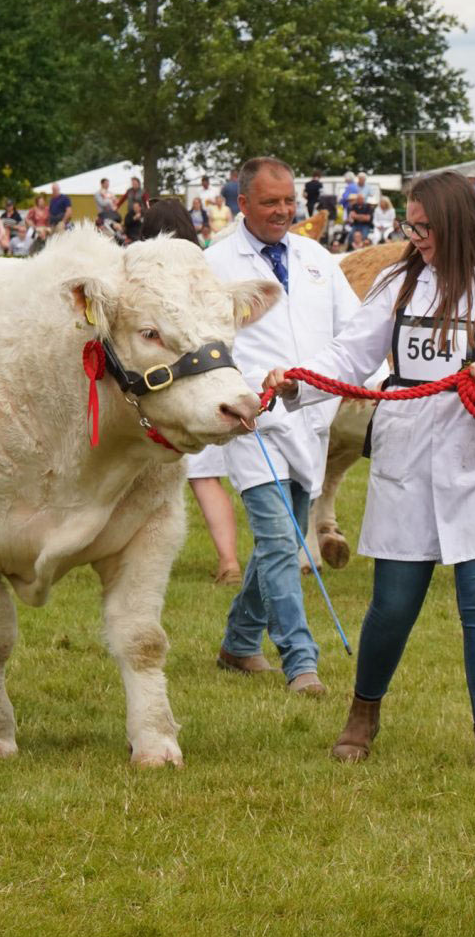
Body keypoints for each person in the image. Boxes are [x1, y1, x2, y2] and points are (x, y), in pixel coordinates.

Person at [274, 172, 475, 767]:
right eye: (411, 224)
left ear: (457, 224)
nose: (415, 235)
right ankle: (364, 713)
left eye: (425, 226)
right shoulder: (399, 282)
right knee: (394, 601)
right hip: (407, 446)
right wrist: (299, 379)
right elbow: (351, 352)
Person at [185, 157, 361, 694]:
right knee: (283, 541)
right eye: (270, 202)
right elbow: (201, 343)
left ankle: (239, 642)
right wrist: (254, 382)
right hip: (252, 420)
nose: (284, 211)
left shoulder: (317, 259)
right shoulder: (214, 265)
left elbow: (352, 334)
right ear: (242, 203)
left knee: (276, 543)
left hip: (311, 418)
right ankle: (300, 661)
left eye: (289, 201)